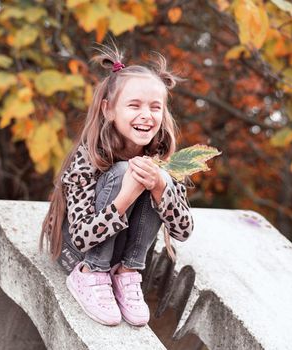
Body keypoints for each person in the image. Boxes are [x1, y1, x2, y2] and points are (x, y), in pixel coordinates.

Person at [40, 43, 194, 327]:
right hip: (77, 254)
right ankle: (92, 273)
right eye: (134, 105)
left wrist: (161, 188)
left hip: (119, 259)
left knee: (149, 177)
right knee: (125, 171)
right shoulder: (88, 159)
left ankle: (127, 272)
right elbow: (82, 237)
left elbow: (183, 230)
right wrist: (126, 196)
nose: (147, 115)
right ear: (109, 109)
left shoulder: (159, 159)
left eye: (155, 107)